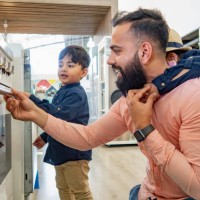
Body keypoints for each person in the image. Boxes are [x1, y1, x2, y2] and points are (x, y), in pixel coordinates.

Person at [4, 8, 200, 200]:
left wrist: (145, 129)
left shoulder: (193, 96)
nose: (109, 60)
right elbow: (89, 137)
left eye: (117, 51)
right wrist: (35, 114)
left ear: (145, 52)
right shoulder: (129, 100)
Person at [28, 45, 93, 200]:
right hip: (60, 152)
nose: (64, 69)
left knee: (80, 191)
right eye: (60, 64)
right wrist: (45, 137)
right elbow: (57, 123)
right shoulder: (62, 90)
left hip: (74, 154)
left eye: (70, 65)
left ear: (83, 72)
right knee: (63, 187)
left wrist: (33, 101)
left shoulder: (77, 94)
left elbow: (59, 114)